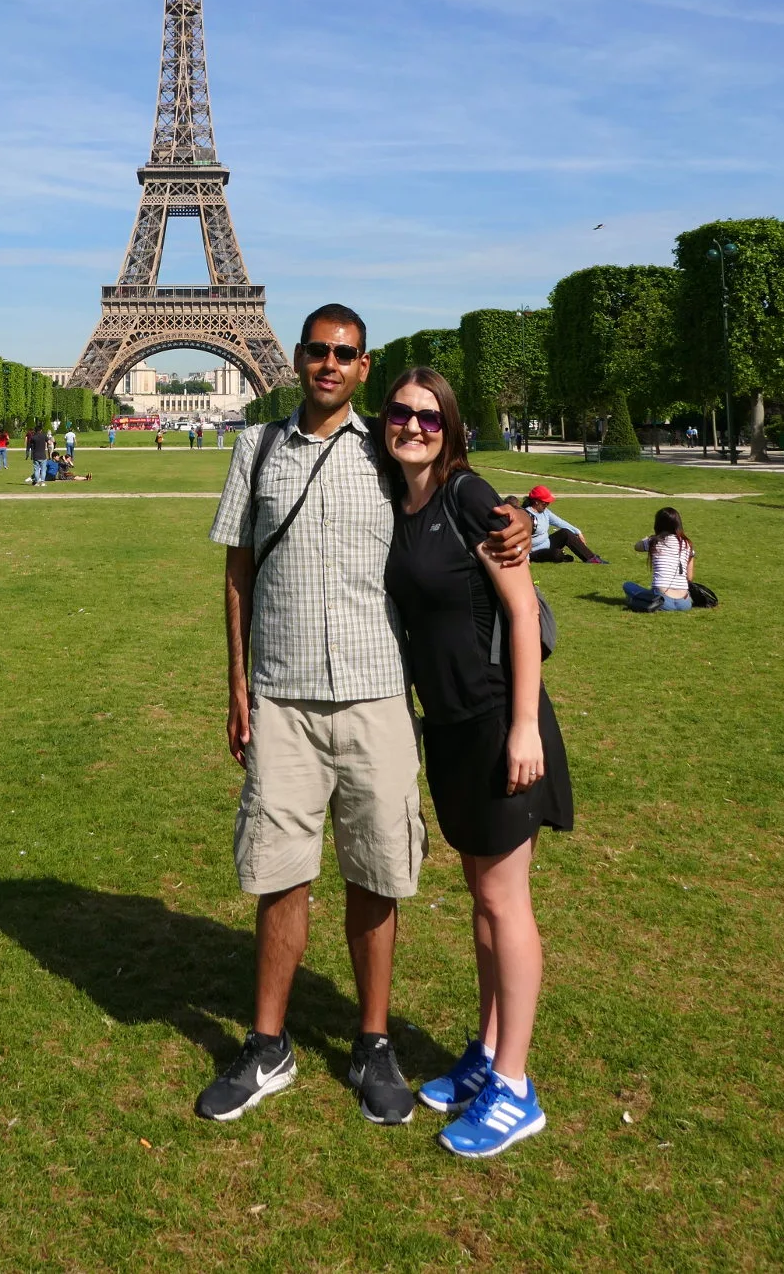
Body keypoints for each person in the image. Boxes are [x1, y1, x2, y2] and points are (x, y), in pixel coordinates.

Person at [197, 306, 532, 1129]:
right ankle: (267, 1042)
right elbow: (238, 572)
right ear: (301, 357)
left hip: (380, 693)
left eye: (343, 354)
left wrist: (514, 518)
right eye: (316, 350)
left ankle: (374, 1041)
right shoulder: (257, 447)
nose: (327, 363)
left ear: (363, 366)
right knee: (279, 872)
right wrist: (236, 684)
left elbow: (449, 480)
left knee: (378, 871)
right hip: (282, 693)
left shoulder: (386, 449)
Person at [381, 367, 573, 1158]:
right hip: (452, 728)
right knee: (483, 900)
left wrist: (524, 727)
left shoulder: (466, 494)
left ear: (451, 428)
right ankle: (490, 1054)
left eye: (430, 418)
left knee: (505, 902)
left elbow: (523, 609)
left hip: (499, 722)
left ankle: (516, 1087)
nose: (414, 427)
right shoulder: (400, 501)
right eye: (400, 414)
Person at [623, 508, 694, 610]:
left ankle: (636, 601)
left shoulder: (654, 541)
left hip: (662, 601)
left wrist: (645, 539)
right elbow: (690, 577)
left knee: (628, 585)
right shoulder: (687, 544)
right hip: (685, 603)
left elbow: (637, 546)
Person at [523, 486, 607, 566]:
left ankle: (591, 558)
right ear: (536, 501)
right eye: (545, 502)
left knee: (565, 532)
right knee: (556, 554)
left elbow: (560, 522)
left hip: (547, 543)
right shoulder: (526, 516)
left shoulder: (545, 512)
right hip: (534, 551)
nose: (547, 504)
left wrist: (578, 532)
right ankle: (562, 556)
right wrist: (526, 557)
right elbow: (522, 539)